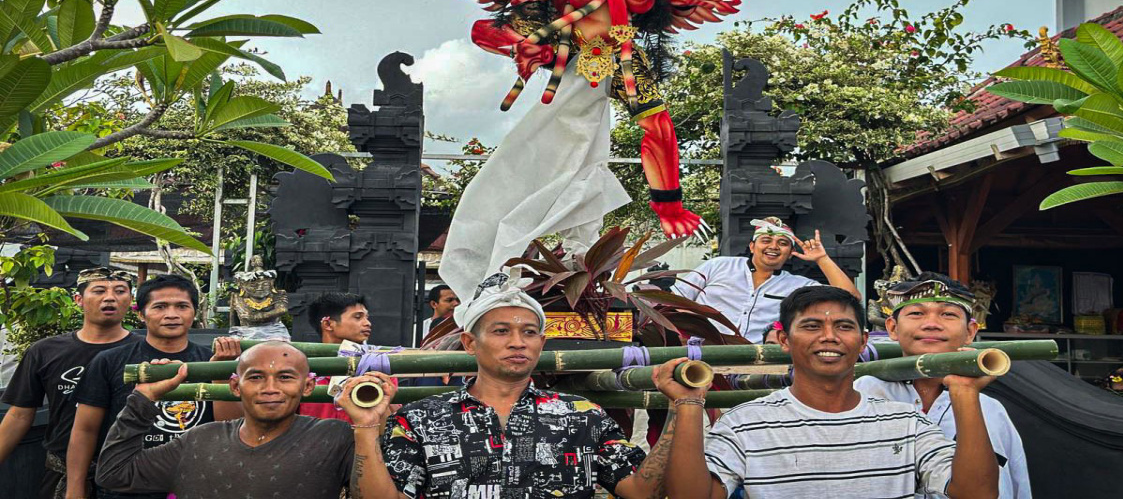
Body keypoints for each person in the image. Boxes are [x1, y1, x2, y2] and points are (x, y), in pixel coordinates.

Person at [336, 268, 690, 499]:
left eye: (529, 333)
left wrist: (680, 406)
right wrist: (366, 426)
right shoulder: (420, 419)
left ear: (541, 344)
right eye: (502, 331)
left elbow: (640, 492)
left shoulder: (583, 416)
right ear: (471, 343)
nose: (518, 342)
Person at [664, 285, 1001, 499]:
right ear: (784, 341)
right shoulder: (745, 424)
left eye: (843, 326)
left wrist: (964, 392)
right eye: (811, 326)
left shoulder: (907, 422)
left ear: (863, 341)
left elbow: (976, 493)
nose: (829, 337)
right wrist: (689, 403)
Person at [95, 342, 366, 499]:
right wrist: (142, 400)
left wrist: (368, 424)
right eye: (256, 377)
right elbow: (114, 474)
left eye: (285, 377)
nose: (270, 388)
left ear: (307, 386)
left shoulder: (334, 437)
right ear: (236, 387)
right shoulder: (199, 441)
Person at [855, 272, 1031, 499]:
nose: (931, 324)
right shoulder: (864, 394)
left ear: (970, 331)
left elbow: (1017, 486)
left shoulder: (990, 410)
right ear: (892, 328)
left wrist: (965, 392)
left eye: (948, 314)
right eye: (917, 313)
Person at [68, 274, 240, 499]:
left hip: (195, 482)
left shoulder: (211, 361)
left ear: (194, 313)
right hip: (127, 483)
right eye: (159, 306)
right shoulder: (110, 361)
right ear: (141, 314)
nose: (171, 315)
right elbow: (85, 429)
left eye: (182, 306)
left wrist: (221, 374)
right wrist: (75, 488)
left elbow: (229, 428)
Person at [0, 268, 135, 499]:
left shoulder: (145, 352)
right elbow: (20, 415)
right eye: (99, 291)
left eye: (120, 291)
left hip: (130, 471)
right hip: (61, 471)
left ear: (131, 300)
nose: (110, 297)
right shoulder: (45, 351)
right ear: (79, 300)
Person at [671, 217, 861, 341]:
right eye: (766, 240)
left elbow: (850, 298)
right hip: (700, 351)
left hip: (759, 362)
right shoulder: (719, 265)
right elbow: (673, 301)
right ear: (752, 247)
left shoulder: (798, 286)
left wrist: (822, 259)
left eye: (783, 243)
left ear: (790, 253)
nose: (774, 246)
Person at [297, 293, 373, 422]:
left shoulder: (377, 366)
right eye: (358, 317)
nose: (367, 323)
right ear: (327, 324)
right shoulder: (300, 369)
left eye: (367, 317)